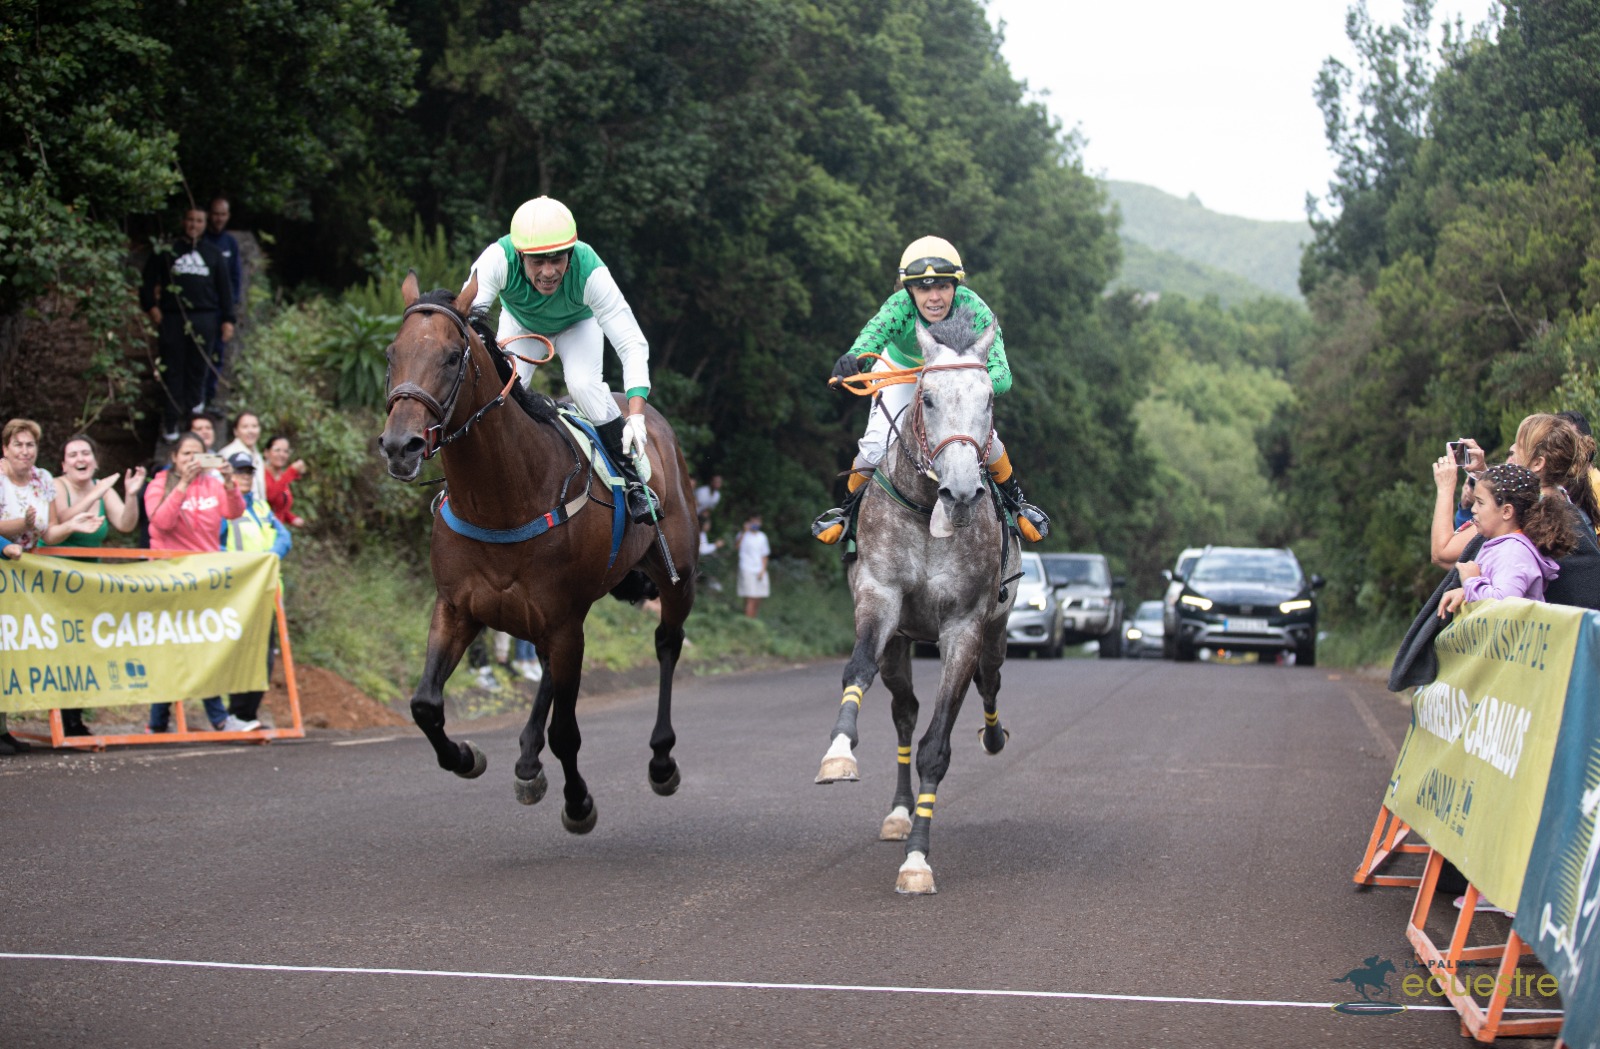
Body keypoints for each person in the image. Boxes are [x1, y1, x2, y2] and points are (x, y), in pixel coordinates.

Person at [813, 236, 1049, 545]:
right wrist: (852, 359)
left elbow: (1002, 376)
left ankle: (1016, 505)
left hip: (952, 376)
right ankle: (845, 513)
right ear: (909, 290)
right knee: (874, 446)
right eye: (924, 288)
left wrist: (965, 380)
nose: (934, 297)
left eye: (942, 287)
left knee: (987, 443)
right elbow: (871, 337)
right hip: (901, 371)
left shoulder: (974, 308)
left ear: (956, 286)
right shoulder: (898, 307)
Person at [463, 196, 656, 522]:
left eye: (557, 260)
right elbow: (465, 319)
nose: (549, 272)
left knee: (583, 386)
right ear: (520, 254)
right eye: (538, 261)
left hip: (577, 325)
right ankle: (471, 480)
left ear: (571, 253)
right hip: (521, 323)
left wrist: (636, 415)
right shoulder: (497, 258)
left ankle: (633, 482)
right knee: (503, 393)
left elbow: (631, 343)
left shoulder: (589, 269)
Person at [143, 433, 250, 732]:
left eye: (198, 454)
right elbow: (160, 522)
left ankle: (169, 722)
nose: (192, 459)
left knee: (201, 648)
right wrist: (182, 485)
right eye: (186, 454)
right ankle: (168, 721)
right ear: (174, 458)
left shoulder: (213, 483)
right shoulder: (159, 484)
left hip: (204, 579)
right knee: (171, 649)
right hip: (168, 580)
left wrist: (229, 482)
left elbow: (235, 512)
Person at [51, 434, 148, 736]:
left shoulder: (102, 488)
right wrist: (97, 493)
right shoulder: (57, 486)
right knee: (59, 649)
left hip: (88, 583)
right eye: (74, 455)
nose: (81, 459)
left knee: (82, 648)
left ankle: (75, 718)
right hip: (54, 580)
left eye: (86, 453)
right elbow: (61, 520)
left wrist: (131, 494)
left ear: (95, 459)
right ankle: (60, 719)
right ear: (64, 464)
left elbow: (125, 523)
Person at [141, 207, 235, 440]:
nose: (194, 225)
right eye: (190, 220)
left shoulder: (213, 253)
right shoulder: (167, 251)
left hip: (205, 318)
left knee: (198, 368)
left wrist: (228, 320)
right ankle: (171, 422)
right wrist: (151, 307)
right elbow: (147, 282)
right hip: (173, 317)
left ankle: (195, 423)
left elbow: (225, 290)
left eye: (199, 221)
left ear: (205, 224)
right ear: (184, 221)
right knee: (173, 369)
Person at [1438, 463, 1574, 618]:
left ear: (1507, 511)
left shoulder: (1514, 553)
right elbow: (1497, 589)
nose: (1473, 509)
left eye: (1480, 502)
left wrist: (1472, 581)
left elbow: (1504, 604)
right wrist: (1466, 593)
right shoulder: (1504, 546)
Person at [215, 452, 291, 729]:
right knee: (239, 654)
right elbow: (215, 543)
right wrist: (247, 565)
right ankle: (234, 713)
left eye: (248, 472)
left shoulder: (260, 507)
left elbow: (284, 536)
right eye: (239, 472)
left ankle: (248, 714)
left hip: (265, 592)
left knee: (264, 656)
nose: (244, 477)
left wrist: (268, 557)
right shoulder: (223, 506)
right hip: (235, 592)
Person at [201, 196, 243, 407]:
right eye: (215, 214)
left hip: (220, 311)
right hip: (201, 310)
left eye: (223, 214)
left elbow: (236, 279)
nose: (219, 218)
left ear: (228, 216)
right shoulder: (201, 241)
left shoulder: (230, 244)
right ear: (209, 215)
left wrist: (230, 313)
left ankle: (209, 397)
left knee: (217, 354)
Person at [217, 411, 266, 500]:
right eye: (245, 427)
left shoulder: (257, 455)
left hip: (257, 510)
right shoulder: (227, 454)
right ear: (236, 431)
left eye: (254, 426)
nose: (250, 431)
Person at [262, 434, 306, 527]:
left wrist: (291, 518)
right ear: (266, 452)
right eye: (277, 450)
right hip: (265, 528)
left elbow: (279, 507)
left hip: (278, 529)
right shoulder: (261, 473)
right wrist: (291, 471)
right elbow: (269, 497)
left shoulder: (280, 476)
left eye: (285, 451)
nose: (281, 454)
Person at [734, 513, 770, 618]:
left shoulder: (762, 537)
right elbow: (736, 546)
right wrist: (744, 531)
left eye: (758, 521)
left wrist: (763, 570)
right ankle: (747, 621)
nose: (756, 523)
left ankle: (752, 619)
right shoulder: (742, 535)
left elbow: (765, 555)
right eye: (753, 521)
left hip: (759, 570)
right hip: (746, 568)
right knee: (749, 597)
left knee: (758, 597)